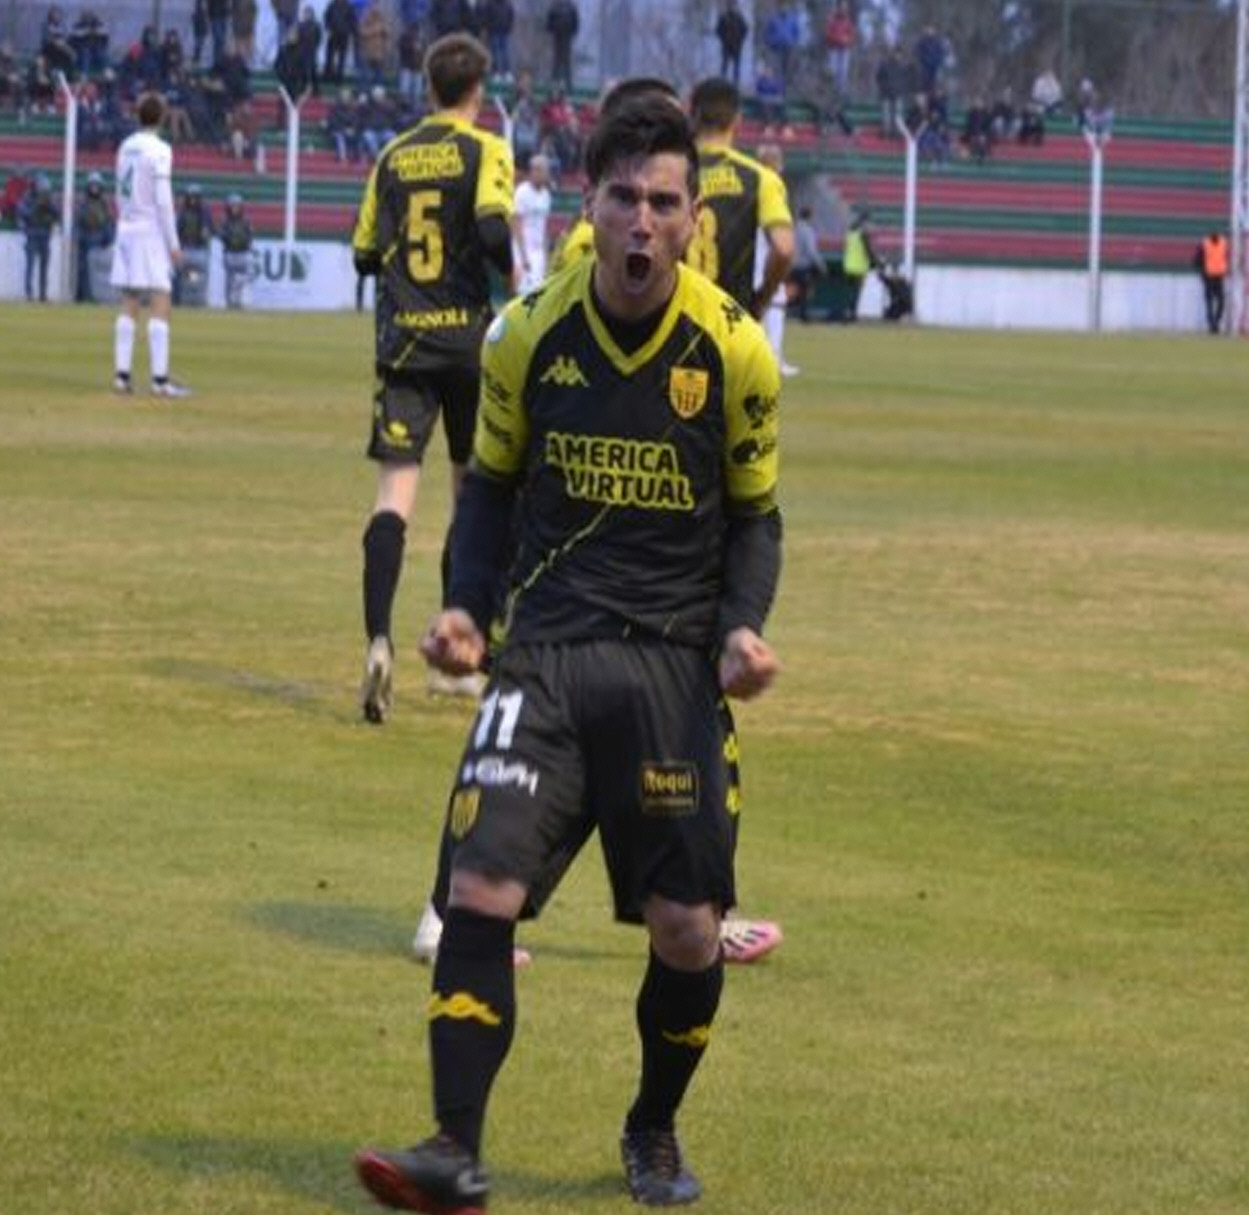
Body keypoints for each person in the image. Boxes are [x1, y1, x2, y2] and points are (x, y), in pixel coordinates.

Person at [354, 87, 782, 1215]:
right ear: (587, 206)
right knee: (478, 886)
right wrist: (465, 609)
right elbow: (490, 489)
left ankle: (651, 1128)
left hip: (670, 673)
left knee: (687, 931)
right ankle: (453, 1148)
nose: (642, 222)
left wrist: (742, 626)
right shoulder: (524, 335)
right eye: (623, 198)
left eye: (664, 203)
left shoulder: (734, 350)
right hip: (542, 658)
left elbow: (755, 516)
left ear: (693, 221)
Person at [352, 32, 515, 724]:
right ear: (478, 90)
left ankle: (379, 642)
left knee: (394, 497)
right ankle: (460, 655)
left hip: (404, 344)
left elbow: (364, 254)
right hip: (469, 345)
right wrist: (509, 275)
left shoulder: (392, 155)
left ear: (427, 87)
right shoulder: (486, 148)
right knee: (472, 499)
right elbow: (493, 232)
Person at [686, 77, 794, 322]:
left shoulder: (669, 174)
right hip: (733, 321)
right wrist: (763, 298)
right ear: (738, 121)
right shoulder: (760, 178)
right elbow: (784, 249)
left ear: (693, 117)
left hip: (677, 320)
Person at [109, 91, 191, 397]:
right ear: (163, 116)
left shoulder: (125, 146)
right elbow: (164, 201)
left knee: (129, 299)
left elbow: (118, 190)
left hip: (126, 227)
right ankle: (160, 380)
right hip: (149, 231)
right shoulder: (160, 150)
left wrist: (124, 219)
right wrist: (173, 244)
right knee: (161, 299)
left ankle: (122, 377)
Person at [753, 142, 795, 376]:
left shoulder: (750, 181)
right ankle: (773, 359)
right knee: (776, 302)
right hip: (765, 256)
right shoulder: (772, 185)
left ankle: (764, 358)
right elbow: (778, 235)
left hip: (750, 257)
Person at [510, 152, 551, 292]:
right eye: (543, 171)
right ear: (534, 171)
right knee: (521, 291)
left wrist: (546, 255)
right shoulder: (522, 192)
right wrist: (523, 255)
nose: (545, 175)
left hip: (538, 252)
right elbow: (516, 224)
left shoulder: (546, 195)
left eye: (546, 171)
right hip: (522, 250)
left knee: (538, 292)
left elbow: (544, 227)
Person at [75, 170, 115, 303]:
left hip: (99, 242)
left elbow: (109, 223)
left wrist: (106, 239)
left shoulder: (104, 204)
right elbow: (78, 222)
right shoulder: (83, 203)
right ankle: (83, 296)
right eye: (92, 185)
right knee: (83, 270)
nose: (94, 188)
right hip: (86, 242)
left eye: (96, 185)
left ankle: (95, 295)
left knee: (97, 273)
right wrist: (81, 238)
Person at [19, 174, 58, 303]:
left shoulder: (49, 200)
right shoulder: (27, 198)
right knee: (30, 265)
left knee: (44, 267)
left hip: (45, 235)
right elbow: (24, 213)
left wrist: (49, 205)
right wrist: (37, 205)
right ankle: (29, 294)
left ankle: (43, 294)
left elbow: (57, 214)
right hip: (32, 234)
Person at [840, 206, 877, 322]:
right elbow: (867, 250)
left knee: (848, 291)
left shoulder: (850, 231)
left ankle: (846, 312)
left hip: (848, 266)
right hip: (859, 267)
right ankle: (851, 314)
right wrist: (874, 262)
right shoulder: (863, 233)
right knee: (856, 292)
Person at [219, 191, 253, 308]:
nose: (235, 209)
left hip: (243, 253)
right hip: (229, 253)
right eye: (232, 206)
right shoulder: (225, 221)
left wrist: (245, 243)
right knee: (229, 280)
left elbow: (250, 236)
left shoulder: (246, 220)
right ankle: (230, 303)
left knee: (247, 276)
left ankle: (240, 300)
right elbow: (221, 235)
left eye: (237, 206)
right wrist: (227, 238)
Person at [1195, 230, 1228, 335]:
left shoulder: (1223, 243)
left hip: (1219, 276)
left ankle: (1215, 323)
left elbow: (1225, 257)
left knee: (1220, 302)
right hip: (1209, 276)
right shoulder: (1205, 244)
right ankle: (1212, 325)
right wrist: (1203, 272)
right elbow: (1197, 260)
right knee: (1210, 302)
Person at [545, 0, 578, 91]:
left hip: (559, 34)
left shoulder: (555, 6)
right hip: (565, 34)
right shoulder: (570, 6)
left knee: (558, 59)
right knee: (564, 59)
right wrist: (573, 31)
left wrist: (550, 29)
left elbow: (549, 21)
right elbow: (575, 21)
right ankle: (566, 82)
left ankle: (556, 80)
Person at [714, 0, 748, 86]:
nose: (732, 7)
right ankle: (722, 83)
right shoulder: (724, 17)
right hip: (726, 45)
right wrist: (723, 39)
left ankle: (736, 84)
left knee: (736, 67)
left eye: (733, 5)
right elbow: (718, 30)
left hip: (737, 45)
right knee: (725, 65)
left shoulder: (739, 18)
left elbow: (745, 29)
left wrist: (740, 40)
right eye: (730, 5)